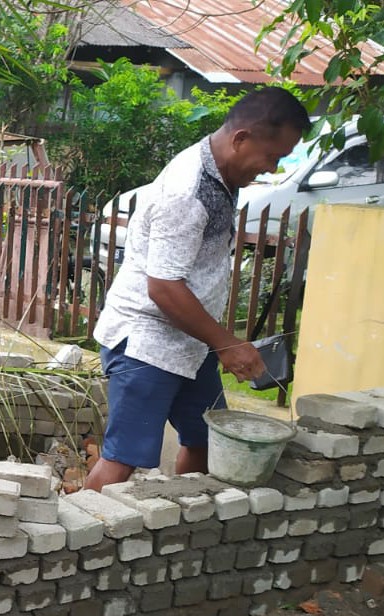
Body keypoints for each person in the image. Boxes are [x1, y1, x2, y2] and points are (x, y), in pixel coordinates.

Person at [84, 87, 310, 492]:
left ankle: (185, 525)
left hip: (189, 340)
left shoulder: (221, 173)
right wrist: (227, 343)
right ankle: (77, 548)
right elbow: (164, 287)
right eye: (273, 157)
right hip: (147, 343)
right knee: (123, 459)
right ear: (241, 139)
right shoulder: (187, 192)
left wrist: (216, 343)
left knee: (206, 440)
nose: (273, 170)